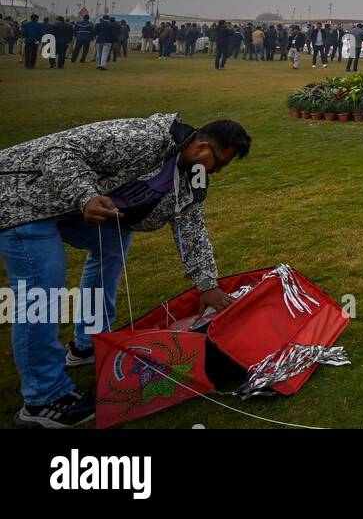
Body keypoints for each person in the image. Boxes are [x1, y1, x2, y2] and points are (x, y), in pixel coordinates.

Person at [0, 115, 251, 428]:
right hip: (19, 195)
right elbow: (59, 153)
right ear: (202, 145)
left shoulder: (193, 177)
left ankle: (89, 343)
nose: (215, 171)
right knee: (42, 288)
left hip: (65, 206)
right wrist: (86, 196)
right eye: (217, 163)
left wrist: (207, 284)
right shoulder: (144, 136)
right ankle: (43, 398)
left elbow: (191, 226)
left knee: (113, 243)